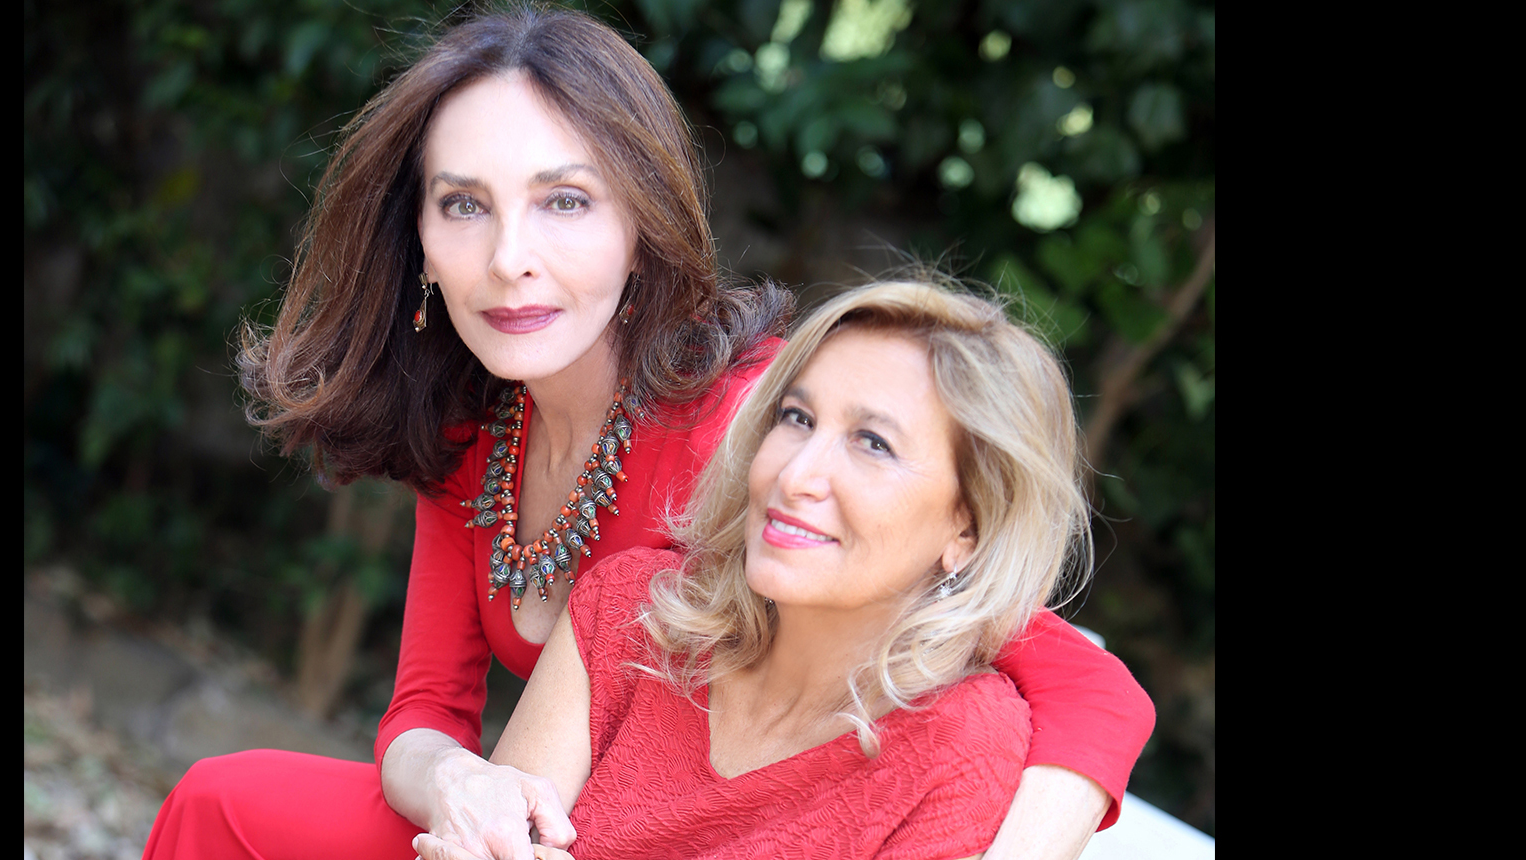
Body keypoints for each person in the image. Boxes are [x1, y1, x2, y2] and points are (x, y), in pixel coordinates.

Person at [143, 8, 1153, 860]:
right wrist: (462, 781)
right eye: (464, 205)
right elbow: (423, 712)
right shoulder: (473, 421)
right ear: (421, 243)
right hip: (547, 820)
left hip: (718, 828)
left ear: (642, 226)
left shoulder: (764, 427)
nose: (509, 258)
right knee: (225, 800)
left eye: (565, 201)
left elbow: (1091, 687)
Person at [414, 278, 1112, 860]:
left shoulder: (958, 748)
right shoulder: (630, 611)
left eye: (873, 443)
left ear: (968, 528)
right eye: (798, 418)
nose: (796, 474)